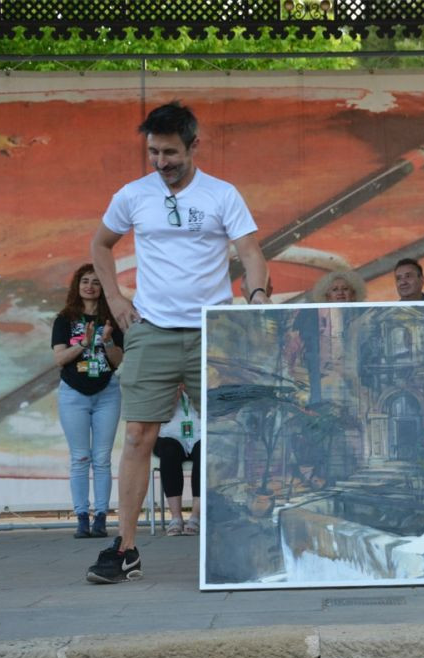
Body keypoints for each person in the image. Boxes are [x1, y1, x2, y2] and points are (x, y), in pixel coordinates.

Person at [86, 101, 270, 584]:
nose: (161, 161)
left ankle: (243, 542)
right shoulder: (133, 194)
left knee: (233, 435)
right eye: (153, 152)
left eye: (170, 152)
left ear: (193, 146)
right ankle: (125, 548)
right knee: (137, 436)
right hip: (153, 330)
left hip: (215, 329)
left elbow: (251, 252)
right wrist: (115, 298)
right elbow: (100, 244)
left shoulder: (222, 194)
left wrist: (256, 295)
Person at [52, 263, 124, 539]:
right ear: (77, 285)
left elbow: (118, 361)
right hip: (73, 394)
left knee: (102, 458)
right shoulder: (64, 319)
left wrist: (107, 341)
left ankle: (101, 517)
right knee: (80, 457)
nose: (90, 286)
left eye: (96, 282)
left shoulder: (112, 319)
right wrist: (84, 342)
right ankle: (82, 517)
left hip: (107, 393)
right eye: (85, 281)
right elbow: (60, 359)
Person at [153, 388, 200, 536]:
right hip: (169, 433)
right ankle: (176, 517)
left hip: (200, 432)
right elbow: (159, 413)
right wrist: (175, 395)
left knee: (204, 452)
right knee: (169, 452)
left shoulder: (203, 379)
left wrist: (194, 392)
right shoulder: (166, 380)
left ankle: (196, 516)